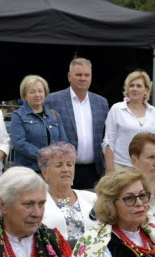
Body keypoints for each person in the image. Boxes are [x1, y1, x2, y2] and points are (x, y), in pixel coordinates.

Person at [44, 58, 110, 189]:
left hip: (94, 171)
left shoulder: (101, 103)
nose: (83, 78)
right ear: (69, 76)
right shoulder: (53, 100)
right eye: (78, 75)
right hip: (63, 170)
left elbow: (106, 136)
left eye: (87, 75)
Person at [39, 142, 97, 248]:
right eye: (59, 165)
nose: (65, 170)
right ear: (45, 173)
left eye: (69, 164)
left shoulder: (93, 198)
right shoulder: (39, 203)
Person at [8, 74, 67, 173]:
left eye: (40, 91)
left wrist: (57, 156)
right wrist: (45, 156)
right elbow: (20, 144)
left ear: (45, 93)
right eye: (32, 92)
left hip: (53, 170)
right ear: (24, 95)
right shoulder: (18, 116)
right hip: (29, 171)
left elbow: (63, 141)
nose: (37, 95)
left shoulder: (54, 115)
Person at [104, 70, 155, 172]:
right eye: (131, 85)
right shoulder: (116, 109)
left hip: (147, 168)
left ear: (146, 89)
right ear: (127, 89)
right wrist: (110, 170)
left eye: (139, 86)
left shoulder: (153, 112)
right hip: (121, 167)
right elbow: (108, 141)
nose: (134, 89)